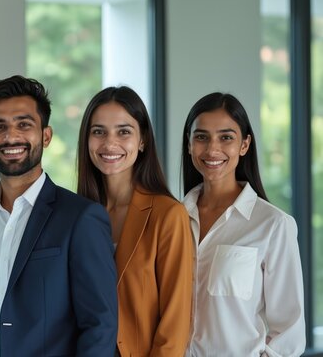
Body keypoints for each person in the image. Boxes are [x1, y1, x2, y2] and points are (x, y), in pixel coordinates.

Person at [0, 75, 118, 356]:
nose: (11, 136)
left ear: (46, 135)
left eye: (24, 124)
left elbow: (99, 325)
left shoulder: (82, 218)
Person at [181, 92, 305, 356]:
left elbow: (290, 330)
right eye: (201, 137)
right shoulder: (172, 220)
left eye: (226, 137)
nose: (212, 149)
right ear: (189, 144)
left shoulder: (272, 225)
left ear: (244, 145)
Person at [76, 86, 193, 356]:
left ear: (142, 141)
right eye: (98, 131)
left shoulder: (168, 215)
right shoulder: (76, 215)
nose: (109, 143)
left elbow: (175, 325)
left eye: (124, 131)